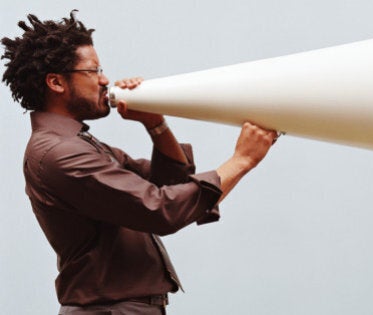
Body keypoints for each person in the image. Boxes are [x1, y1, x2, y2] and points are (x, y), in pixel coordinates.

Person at [2, 11, 278, 314]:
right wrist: (242, 160)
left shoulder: (79, 146)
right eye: (93, 71)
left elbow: (169, 184)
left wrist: (155, 124)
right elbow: (161, 208)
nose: (105, 80)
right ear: (56, 82)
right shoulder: (60, 154)